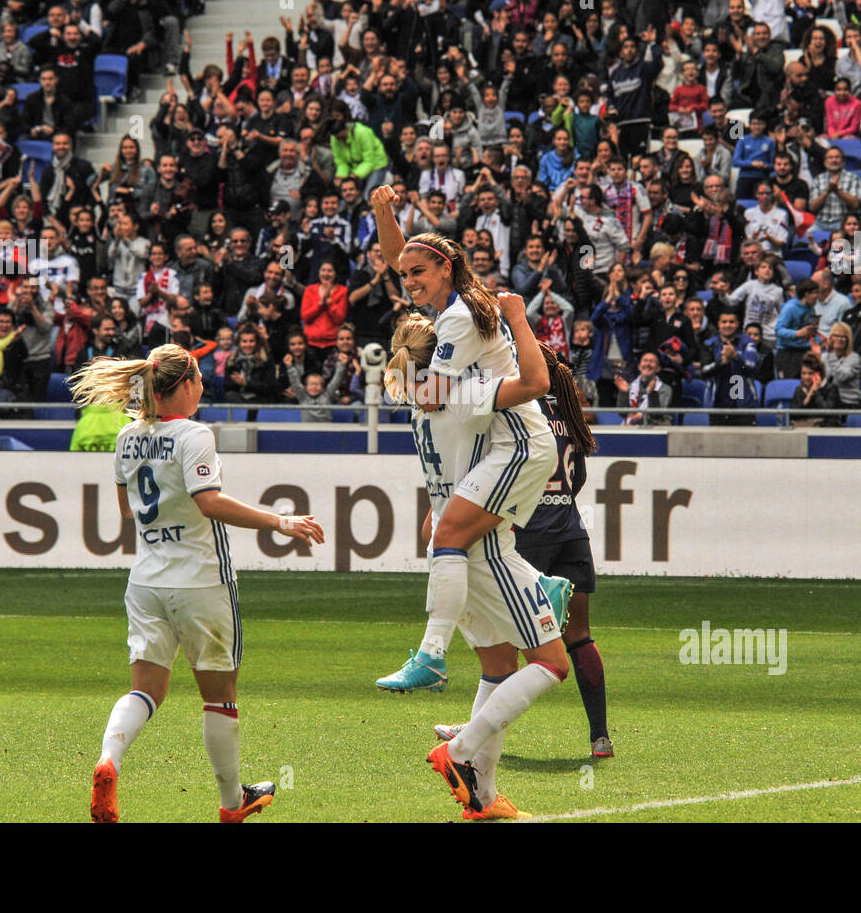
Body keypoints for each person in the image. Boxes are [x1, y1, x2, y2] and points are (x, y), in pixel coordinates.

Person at [72, 343, 324, 823]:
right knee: (219, 696)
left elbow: (127, 511)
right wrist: (280, 522)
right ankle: (233, 804)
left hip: (146, 580)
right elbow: (209, 502)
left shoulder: (127, 437)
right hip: (201, 582)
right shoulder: (194, 435)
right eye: (200, 376)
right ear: (183, 385)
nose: (204, 383)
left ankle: (109, 760)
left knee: (145, 690)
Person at [386, 308, 572, 820]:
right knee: (553, 663)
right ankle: (461, 748)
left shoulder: (423, 405)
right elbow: (535, 381)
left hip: (447, 550)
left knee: (497, 666)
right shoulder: (467, 396)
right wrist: (512, 316)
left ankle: (484, 799)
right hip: (485, 552)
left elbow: (434, 518)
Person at [370, 186, 556, 693]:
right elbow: (399, 256)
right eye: (405, 275)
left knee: (450, 537)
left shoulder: (457, 319)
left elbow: (431, 396)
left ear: (445, 270)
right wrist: (385, 213)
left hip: (516, 438)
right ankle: (541, 591)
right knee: (475, 550)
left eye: (417, 274)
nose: (407, 282)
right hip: (498, 438)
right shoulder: (451, 305)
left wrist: (402, 382)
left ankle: (432, 657)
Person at [433, 341, 610, 757]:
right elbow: (578, 475)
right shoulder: (567, 412)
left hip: (529, 536)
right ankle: (600, 736)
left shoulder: (516, 410)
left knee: (504, 642)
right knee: (579, 637)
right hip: (571, 533)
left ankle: (476, 731)